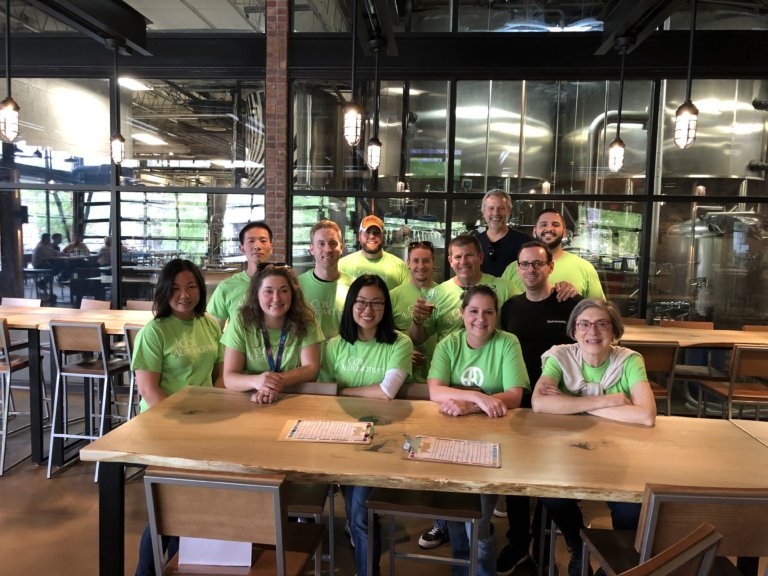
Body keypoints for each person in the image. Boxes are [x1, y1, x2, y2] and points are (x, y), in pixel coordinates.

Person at [531, 298, 656, 555]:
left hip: (623, 456)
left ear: (614, 331)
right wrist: (610, 400)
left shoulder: (630, 360)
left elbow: (645, 415)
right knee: (551, 496)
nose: (593, 332)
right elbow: (540, 403)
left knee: (631, 508)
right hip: (570, 452)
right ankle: (577, 546)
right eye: (584, 324)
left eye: (602, 324)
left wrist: (573, 403)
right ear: (574, 330)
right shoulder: (560, 356)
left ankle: (617, 561)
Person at [427, 285, 529, 576]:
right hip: (449, 438)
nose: (480, 319)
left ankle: (482, 570)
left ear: (496, 315)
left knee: (480, 518)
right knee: (456, 512)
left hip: (494, 440)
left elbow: (514, 395)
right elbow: (435, 390)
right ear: (461, 313)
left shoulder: (508, 342)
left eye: (488, 312)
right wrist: (479, 396)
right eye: (473, 311)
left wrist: (471, 405)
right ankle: (462, 567)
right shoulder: (448, 343)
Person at [131, 258, 224, 576]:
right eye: (176, 287)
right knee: (168, 507)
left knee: (193, 505)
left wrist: (215, 412)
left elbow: (218, 376)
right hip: (164, 429)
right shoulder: (153, 332)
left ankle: (175, 564)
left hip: (204, 427)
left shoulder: (210, 323)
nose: (184, 294)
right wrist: (184, 423)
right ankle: (147, 570)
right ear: (164, 291)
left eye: (191, 286)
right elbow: (148, 390)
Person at [496, 240, 583, 576]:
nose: (530, 270)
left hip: (558, 405)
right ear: (517, 269)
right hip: (517, 402)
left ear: (550, 267)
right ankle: (519, 545)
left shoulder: (568, 302)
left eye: (537, 264)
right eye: (524, 264)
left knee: (552, 482)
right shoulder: (511, 307)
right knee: (516, 480)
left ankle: (547, 551)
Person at [322, 274, 413, 576]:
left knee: (360, 513)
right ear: (350, 305)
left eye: (376, 303)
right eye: (361, 302)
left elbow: (388, 390)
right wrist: (344, 392)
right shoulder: (333, 345)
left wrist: (342, 391)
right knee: (353, 509)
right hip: (339, 438)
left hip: (381, 442)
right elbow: (321, 393)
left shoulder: (399, 342)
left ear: (386, 307)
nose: (368, 309)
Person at [221, 264, 322, 403]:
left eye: (284, 291)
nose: (276, 298)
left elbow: (311, 369)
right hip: (250, 399)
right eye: (268, 291)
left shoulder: (307, 320)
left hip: (293, 398)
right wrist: (257, 381)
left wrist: (276, 382)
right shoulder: (241, 320)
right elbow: (229, 377)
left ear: (293, 294)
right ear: (256, 294)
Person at [503, 209, 605, 299]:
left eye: (555, 225)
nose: (549, 229)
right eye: (543, 224)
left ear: (564, 232)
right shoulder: (512, 269)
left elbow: (598, 308)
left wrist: (574, 297)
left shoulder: (585, 268)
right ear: (534, 231)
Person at [208, 221, 275, 327]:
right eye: (251, 241)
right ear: (242, 249)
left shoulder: (282, 286)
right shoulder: (227, 287)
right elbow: (213, 330)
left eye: (263, 241)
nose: (257, 246)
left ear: (271, 247)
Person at [389, 239, 439, 381]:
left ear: (434, 263)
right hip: (403, 377)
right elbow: (382, 335)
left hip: (437, 376)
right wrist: (402, 352)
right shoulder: (393, 296)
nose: (421, 266)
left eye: (426, 261)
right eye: (416, 261)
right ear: (408, 264)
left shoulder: (444, 293)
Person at [297, 220, 353, 343]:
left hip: (342, 359)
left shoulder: (354, 287)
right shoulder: (297, 286)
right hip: (308, 359)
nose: (328, 249)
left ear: (341, 248)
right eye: (321, 244)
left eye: (333, 243)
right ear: (312, 249)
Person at [338, 214, 409, 290]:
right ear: (359, 236)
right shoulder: (342, 265)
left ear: (383, 236)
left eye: (376, 232)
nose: (372, 236)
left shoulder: (400, 267)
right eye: (367, 232)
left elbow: (407, 297)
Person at [476, 189, 531, 277]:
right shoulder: (474, 243)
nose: (496, 213)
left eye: (501, 208)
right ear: (483, 212)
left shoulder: (526, 242)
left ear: (508, 211)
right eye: (491, 208)